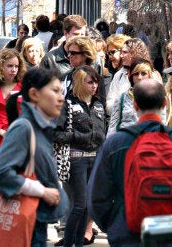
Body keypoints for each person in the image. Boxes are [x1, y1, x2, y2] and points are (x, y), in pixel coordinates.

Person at [88, 79, 172, 246]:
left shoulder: (115, 143)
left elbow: (97, 196)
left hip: (128, 234)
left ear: (135, 105)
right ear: (165, 103)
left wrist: (114, 225)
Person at [0, 68, 69, 246]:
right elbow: (0, 173)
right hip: (24, 226)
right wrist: (41, 191)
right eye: (55, 91)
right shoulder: (24, 128)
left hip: (34, 224)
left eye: (61, 92)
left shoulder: (39, 127)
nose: (61, 97)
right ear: (34, 94)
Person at [54, 66, 106, 246]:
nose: (94, 86)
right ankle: (69, 243)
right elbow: (57, 134)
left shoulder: (98, 105)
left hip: (95, 157)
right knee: (79, 205)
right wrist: (79, 136)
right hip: (76, 158)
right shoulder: (68, 104)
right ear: (79, 83)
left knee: (86, 207)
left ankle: (78, 243)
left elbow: (101, 134)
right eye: (89, 82)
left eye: (96, 82)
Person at [107, 58, 161, 135]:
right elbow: (112, 127)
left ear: (149, 75)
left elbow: (162, 125)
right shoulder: (122, 98)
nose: (139, 77)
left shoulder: (157, 98)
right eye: (136, 74)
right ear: (131, 76)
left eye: (143, 74)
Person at [106, 38, 153, 114]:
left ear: (134, 53)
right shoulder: (119, 75)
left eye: (125, 52)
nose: (121, 55)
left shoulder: (151, 74)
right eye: (121, 52)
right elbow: (109, 103)